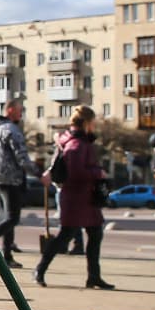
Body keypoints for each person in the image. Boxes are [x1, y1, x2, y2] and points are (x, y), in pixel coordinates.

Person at [33, 106, 114, 289]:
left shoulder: (73, 141)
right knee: (66, 235)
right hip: (77, 197)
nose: (95, 126)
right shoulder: (77, 144)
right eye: (93, 123)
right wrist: (98, 172)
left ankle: (94, 276)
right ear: (86, 123)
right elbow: (77, 172)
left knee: (94, 233)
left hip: (82, 197)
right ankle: (39, 269)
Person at [0, 98, 36, 266]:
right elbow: (22, 158)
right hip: (9, 179)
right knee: (12, 218)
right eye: (20, 110)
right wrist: (39, 174)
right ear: (10, 110)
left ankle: (7, 256)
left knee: (7, 218)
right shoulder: (12, 130)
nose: (21, 113)